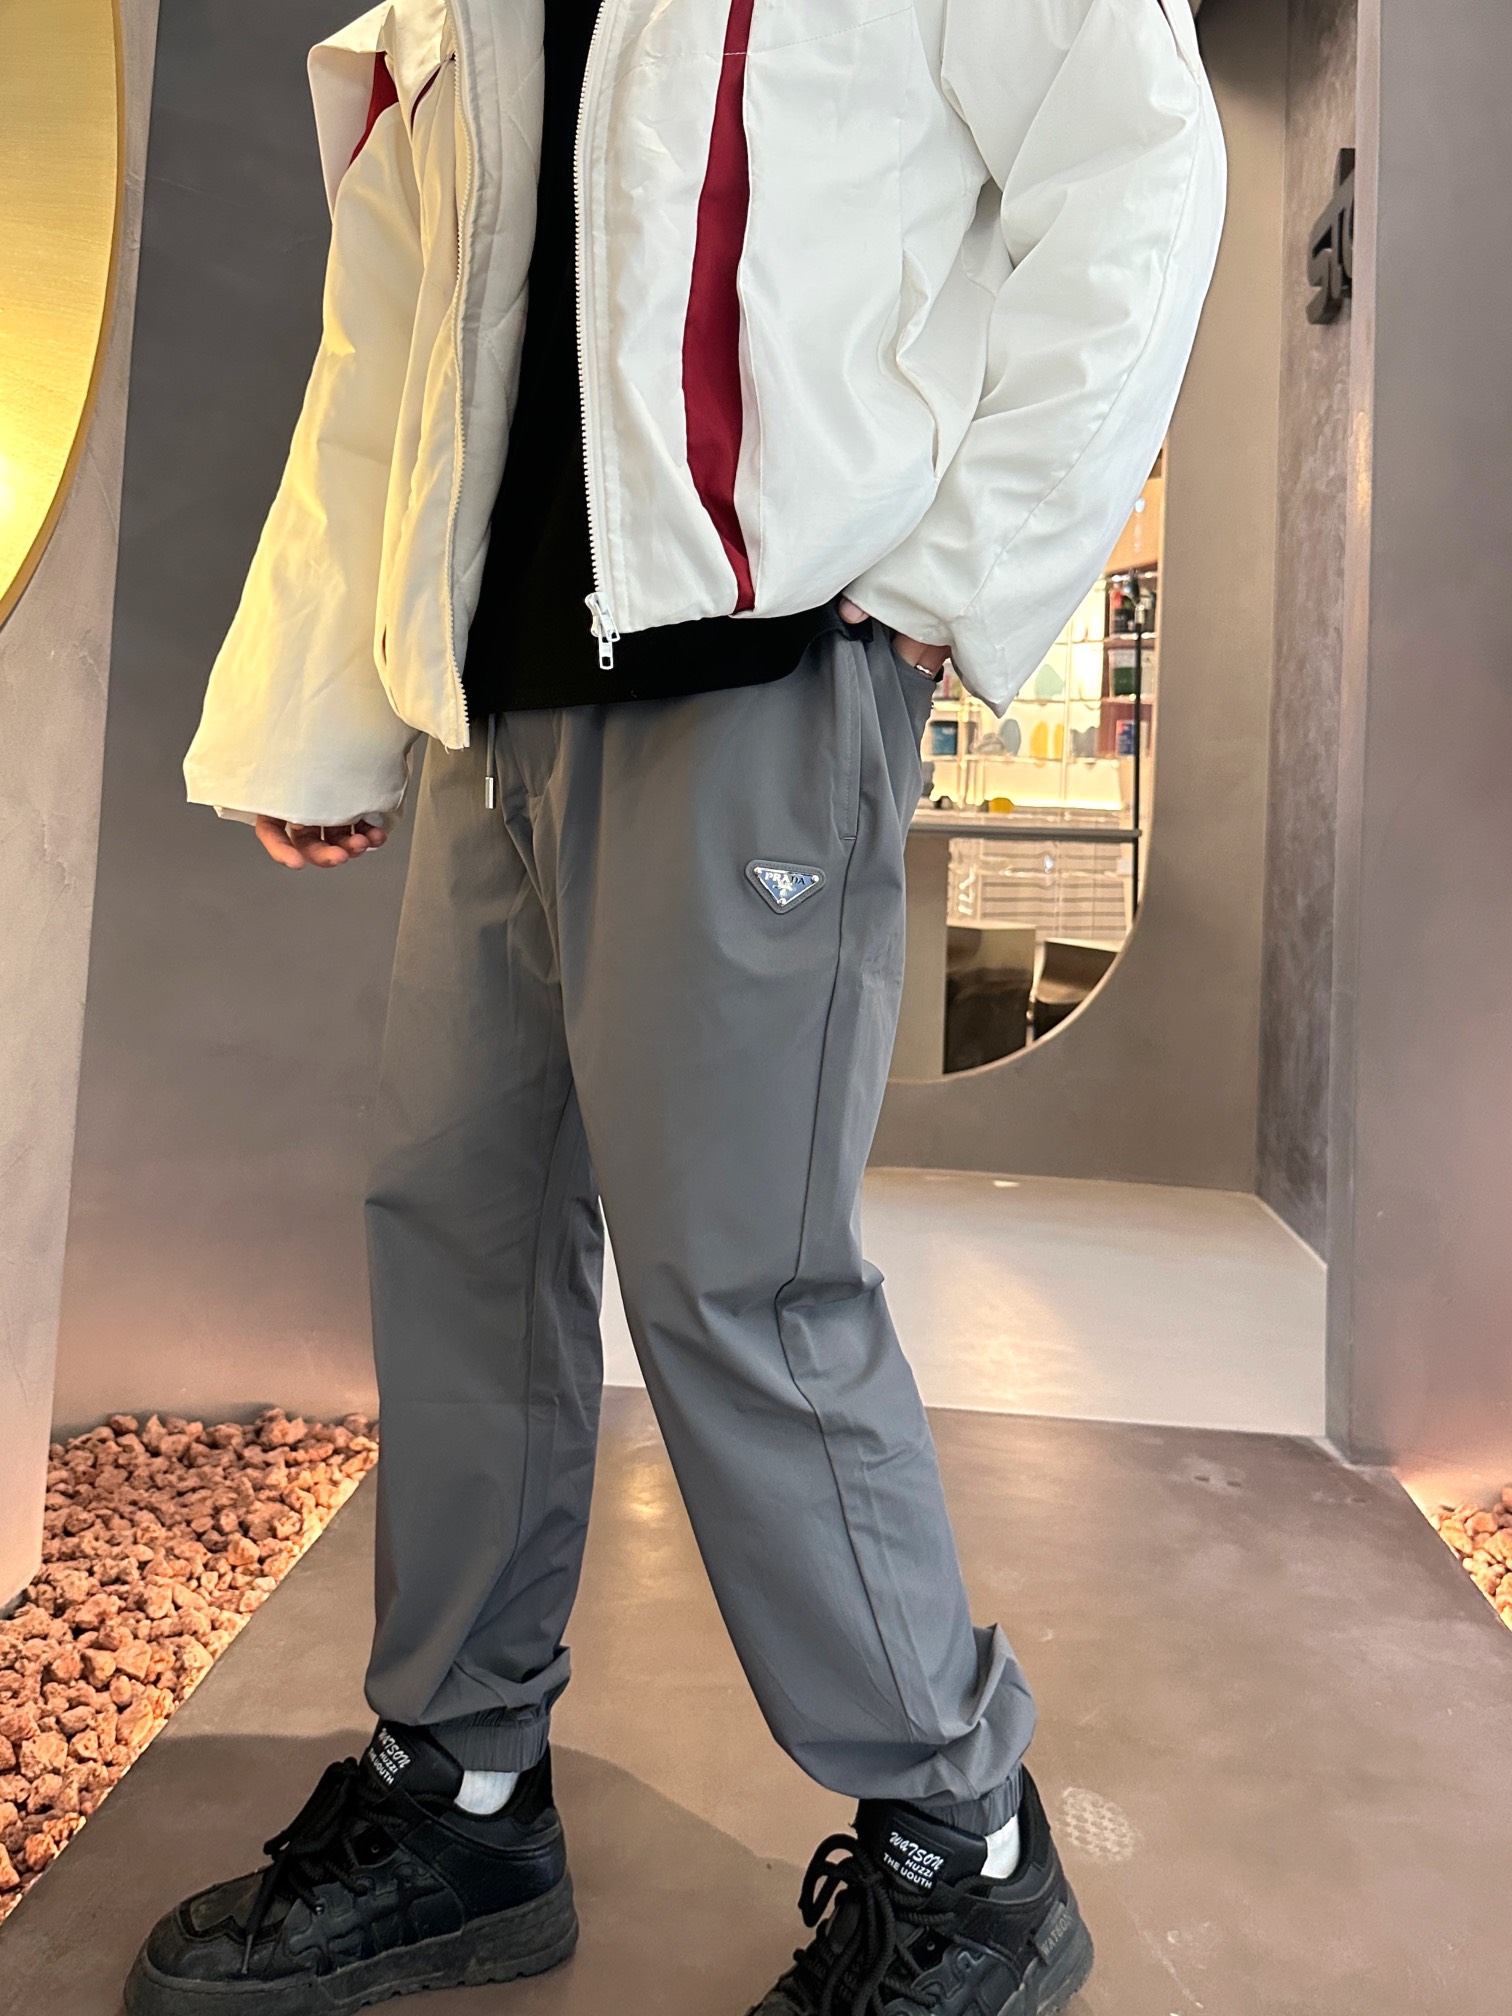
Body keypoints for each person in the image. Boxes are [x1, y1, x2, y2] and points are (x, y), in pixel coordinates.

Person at [127, 1, 1224, 2010]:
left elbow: (1137, 159)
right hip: (493, 696)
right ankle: (462, 1796)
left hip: (755, 667)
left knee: (739, 1277)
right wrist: (320, 694)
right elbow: (400, 328)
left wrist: (947, 580)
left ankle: (964, 1849)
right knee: (455, 1235)